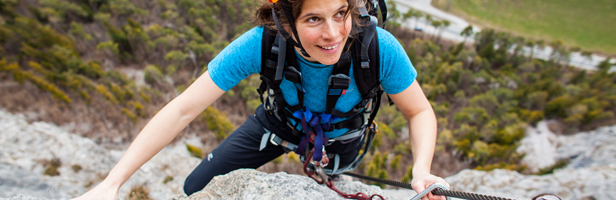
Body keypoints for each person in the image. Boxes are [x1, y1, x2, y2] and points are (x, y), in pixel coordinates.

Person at [74, 0, 449, 199]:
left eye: (340, 13)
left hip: (341, 138)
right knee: (195, 190)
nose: (334, 33)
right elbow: (182, 109)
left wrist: (421, 170)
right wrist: (113, 183)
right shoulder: (262, 43)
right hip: (276, 123)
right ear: (285, 22)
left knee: (329, 187)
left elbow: (419, 111)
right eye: (314, 20)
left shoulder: (378, 48)